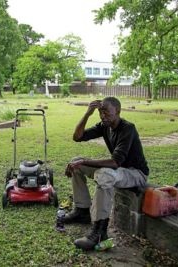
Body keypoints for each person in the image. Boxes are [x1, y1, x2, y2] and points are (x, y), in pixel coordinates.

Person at [63, 96, 149, 250]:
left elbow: (115, 162)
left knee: (104, 174)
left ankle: (99, 232)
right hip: (119, 171)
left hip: (135, 173)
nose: (103, 116)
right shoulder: (104, 126)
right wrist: (87, 113)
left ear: (117, 111)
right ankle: (82, 211)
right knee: (75, 162)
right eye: (100, 112)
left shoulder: (128, 128)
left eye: (107, 112)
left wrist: (84, 161)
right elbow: (77, 137)